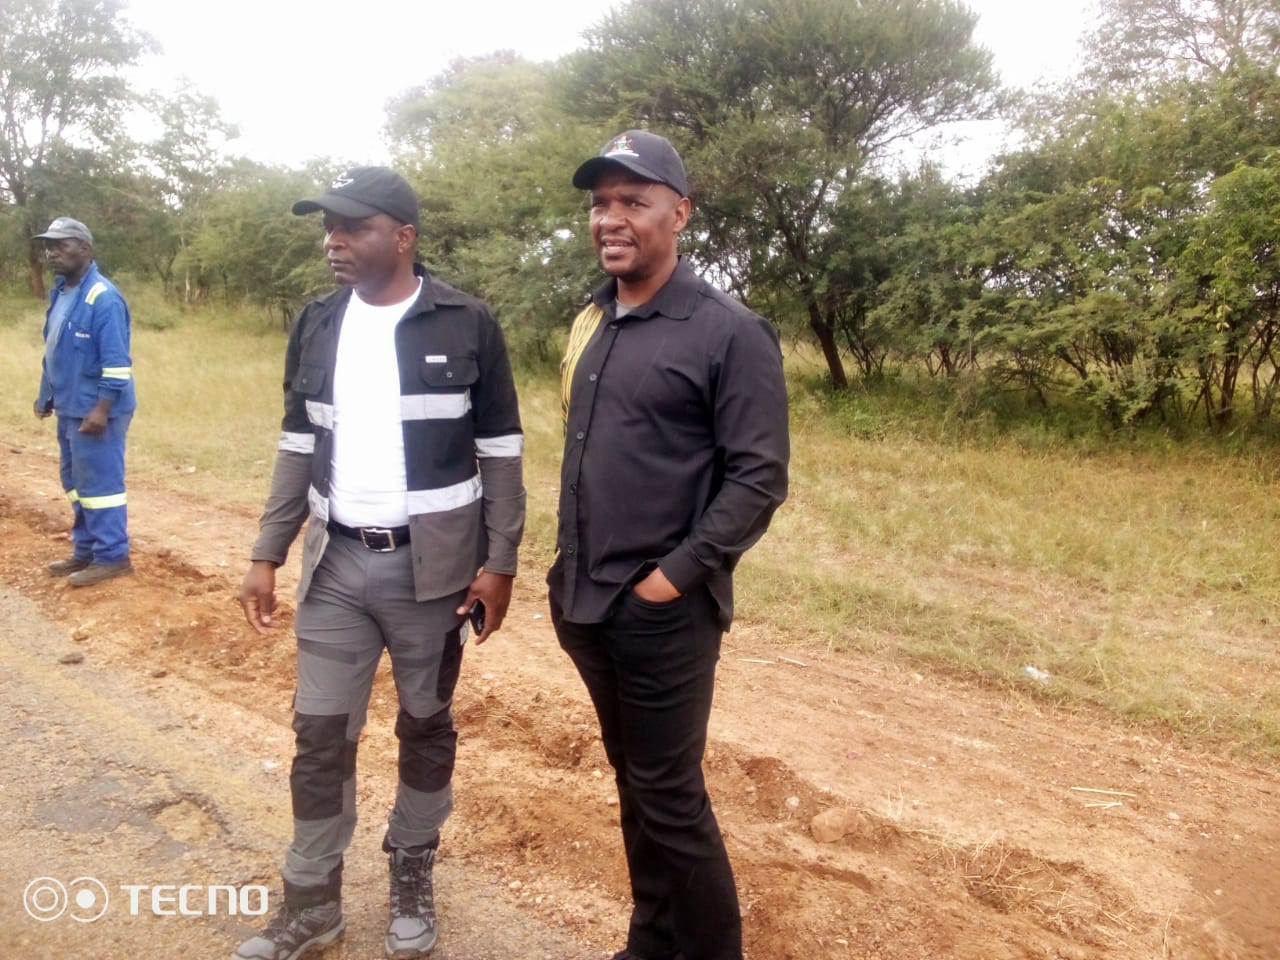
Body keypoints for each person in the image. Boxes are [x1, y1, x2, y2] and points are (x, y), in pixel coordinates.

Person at [234, 166, 525, 960]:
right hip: (335, 566)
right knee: (320, 734)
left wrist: (500, 563)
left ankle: (411, 868)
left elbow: (501, 453)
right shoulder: (317, 323)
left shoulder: (466, 322)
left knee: (426, 726)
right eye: (327, 227)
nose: (333, 241)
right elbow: (297, 442)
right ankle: (311, 902)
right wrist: (267, 550)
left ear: (402, 237)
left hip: (433, 574)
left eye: (352, 227)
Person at [548, 131, 790, 960]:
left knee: (671, 798)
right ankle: (650, 945)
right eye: (600, 203)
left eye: (633, 201)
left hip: (662, 614)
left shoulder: (729, 331)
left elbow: (758, 479)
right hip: (585, 600)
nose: (610, 218)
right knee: (637, 786)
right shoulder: (594, 319)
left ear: (679, 214)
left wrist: (670, 580)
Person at [32, 216, 137, 587]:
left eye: (61, 245)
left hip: (96, 411)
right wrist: (46, 395)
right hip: (70, 406)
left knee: (100, 485)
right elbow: (55, 350)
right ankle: (87, 549)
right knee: (75, 481)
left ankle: (112, 556)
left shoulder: (103, 297)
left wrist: (102, 408)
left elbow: (117, 362)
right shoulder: (62, 293)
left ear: (85, 248)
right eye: (49, 246)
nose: (52, 252)